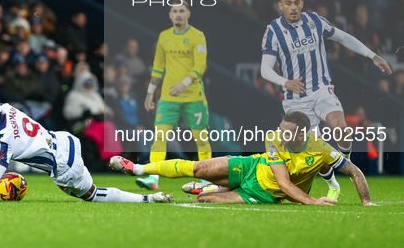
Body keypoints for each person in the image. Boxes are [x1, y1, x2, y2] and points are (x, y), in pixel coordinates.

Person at [260, 0, 392, 200]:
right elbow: (265, 69)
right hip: (295, 99)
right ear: (280, 5)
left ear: (302, 3)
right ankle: (333, 184)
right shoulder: (273, 31)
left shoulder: (314, 21)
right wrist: (286, 82)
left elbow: (343, 38)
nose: (293, 7)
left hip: (321, 89)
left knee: (341, 129)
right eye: (288, 3)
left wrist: (372, 55)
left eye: (297, 2)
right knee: (314, 151)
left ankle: (346, 166)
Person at [0, 102, 172, 203]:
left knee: (91, 195)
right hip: (66, 140)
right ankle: (129, 173)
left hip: (65, 166)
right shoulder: (2, 108)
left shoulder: (2, 142)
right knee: (86, 191)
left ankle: (146, 195)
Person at [111, 111, 376, 206]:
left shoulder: (322, 149)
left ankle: (211, 190)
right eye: (280, 127)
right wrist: (312, 201)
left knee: (204, 201)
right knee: (199, 167)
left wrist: (365, 201)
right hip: (253, 166)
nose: (280, 134)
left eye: (287, 132)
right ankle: (137, 168)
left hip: (263, 194)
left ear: (303, 134)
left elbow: (355, 171)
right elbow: (285, 181)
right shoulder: (273, 138)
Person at [139, 0, 212, 190]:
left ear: (189, 13)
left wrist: (183, 84)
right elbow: (158, 67)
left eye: (181, 11)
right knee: (159, 137)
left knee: (201, 138)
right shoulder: (164, 37)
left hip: (193, 97)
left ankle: (206, 180)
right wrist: (149, 94)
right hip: (168, 98)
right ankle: (153, 179)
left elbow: (200, 66)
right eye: (174, 11)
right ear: (170, 15)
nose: (178, 14)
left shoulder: (197, 36)